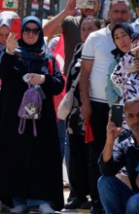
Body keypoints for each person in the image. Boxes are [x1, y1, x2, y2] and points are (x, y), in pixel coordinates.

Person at [0, 17, 65, 213]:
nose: (31, 34)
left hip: (41, 120)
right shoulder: (12, 54)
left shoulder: (47, 57)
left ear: (40, 34)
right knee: (15, 157)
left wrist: (43, 79)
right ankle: (18, 201)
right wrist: (8, 50)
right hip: (15, 120)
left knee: (42, 158)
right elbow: (2, 73)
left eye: (35, 31)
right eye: (27, 30)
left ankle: (41, 201)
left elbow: (59, 84)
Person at [79, 0, 132, 213]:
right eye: (116, 11)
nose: (119, 15)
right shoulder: (95, 38)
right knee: (99, 154)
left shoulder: (135, 38)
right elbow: (85, 73)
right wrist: (85, 102)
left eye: (123, 12)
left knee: (125, 152)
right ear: (109, 13)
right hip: (102, 106)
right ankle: (98, 202)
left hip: (130, 110)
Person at [63, 16, 103, 210]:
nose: (86, 33)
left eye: (91, 29)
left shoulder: (102, 51)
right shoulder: (78, 50)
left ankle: (94, 195)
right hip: (75, 114)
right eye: (83, 29)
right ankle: (78, 194)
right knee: (76, 155)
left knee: (92, 155)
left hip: (94, 110)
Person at [43, 0, 101, 72]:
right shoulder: (70, 22)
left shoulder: (105, 28)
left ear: (99, 6)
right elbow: (45, 32)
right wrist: (65, 12)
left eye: (92, 3)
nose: (88, 7)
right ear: (79, 5)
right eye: (84, 3)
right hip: (71, 81)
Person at [97, 99, 139, 214]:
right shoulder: (127, 145)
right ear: (126, 120)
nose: (136, 120)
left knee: (134, 201)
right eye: (131, 116)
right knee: (105, 182)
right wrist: (110, 139)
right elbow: (106, 170)